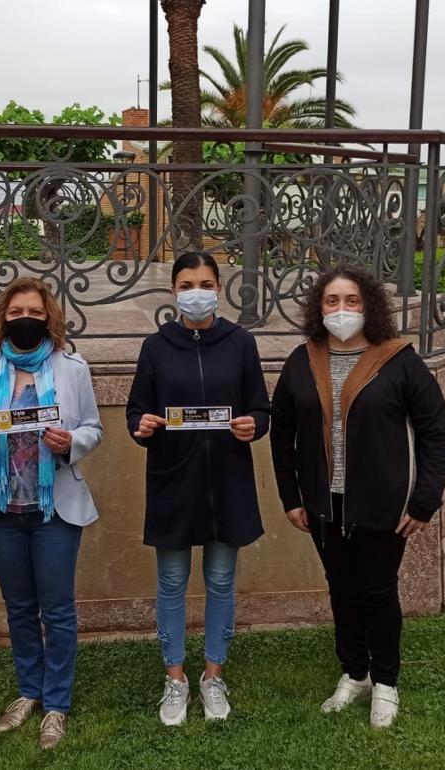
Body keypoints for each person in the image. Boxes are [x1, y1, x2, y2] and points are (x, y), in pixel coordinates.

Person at [269, 263, 445, 729]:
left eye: (352, 301)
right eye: (332, 301)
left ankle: (386, 682)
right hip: (323, 503)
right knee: (342, 589)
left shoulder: (399, 360)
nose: (342, 310)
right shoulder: (301, 360)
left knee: (377, 590)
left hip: (382, 504)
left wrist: (424, 500)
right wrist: (292, 496)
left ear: (369, 306)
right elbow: (281, 433)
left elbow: (436, 433)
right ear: (319, 307)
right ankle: (354, 673)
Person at [0, 277, 103, 750]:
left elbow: (94, 428)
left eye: (34, 312)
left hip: (56, 506)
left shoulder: (72, 367)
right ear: (2, 318)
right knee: (19, 609)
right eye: (16, 312)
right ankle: (28, 691)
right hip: (2, 509)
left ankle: (56, 704)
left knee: (57, 610)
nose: (25, 320)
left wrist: (71, 443)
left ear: (49, 317)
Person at [125, 251, 271, 726]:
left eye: (205, 283)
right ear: (174, 291)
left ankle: (212, 675)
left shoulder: (241, 342)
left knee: (222, 581)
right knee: (171, 583)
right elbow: (136, 411)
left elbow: (261, 409)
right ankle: (175, 680)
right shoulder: (156, 347)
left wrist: (255, 425)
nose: (196, 292)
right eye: (187, 284)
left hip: (227, 482)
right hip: (174, 481)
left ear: (219, 289)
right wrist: (141, 426)